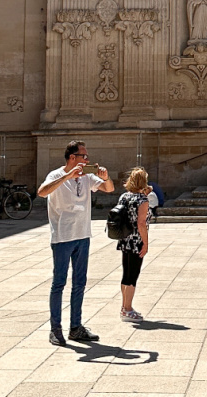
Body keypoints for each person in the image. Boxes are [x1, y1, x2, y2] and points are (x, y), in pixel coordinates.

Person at [37, 142, 112, 345]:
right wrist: (67, 177)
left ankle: (76, 327)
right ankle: (55, 329)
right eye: (83, 156)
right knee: (59, 283)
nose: (87, 160)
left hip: (82, 235)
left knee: (80, 283)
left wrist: (106, 178)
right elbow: (42, 192)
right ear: (72, 157)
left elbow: (109, 188)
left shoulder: (87, 177)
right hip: (62, 237)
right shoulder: (56, 175)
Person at [115, 166, 152, 323]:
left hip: (124, 239)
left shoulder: (124, 196)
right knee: (133, 276)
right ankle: (128, 309)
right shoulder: (143, 201)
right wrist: (146, 242)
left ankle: (124, 307)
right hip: (136, 240)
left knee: (126, 273)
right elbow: (141, 223)